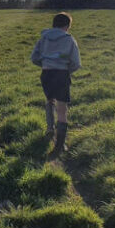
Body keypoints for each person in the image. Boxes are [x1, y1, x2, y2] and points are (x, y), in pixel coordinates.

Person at [30, 12, 81, 157]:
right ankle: (60, 145)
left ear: (53, 24)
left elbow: (34, 58)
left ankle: (50, 128)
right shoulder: (69, 39)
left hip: (46, 74)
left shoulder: (43, 38)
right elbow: (76, 63)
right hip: (62, 74)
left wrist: (45, 64)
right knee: (62, 110)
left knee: (50, 100)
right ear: (67, 26)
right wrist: (67, 70)